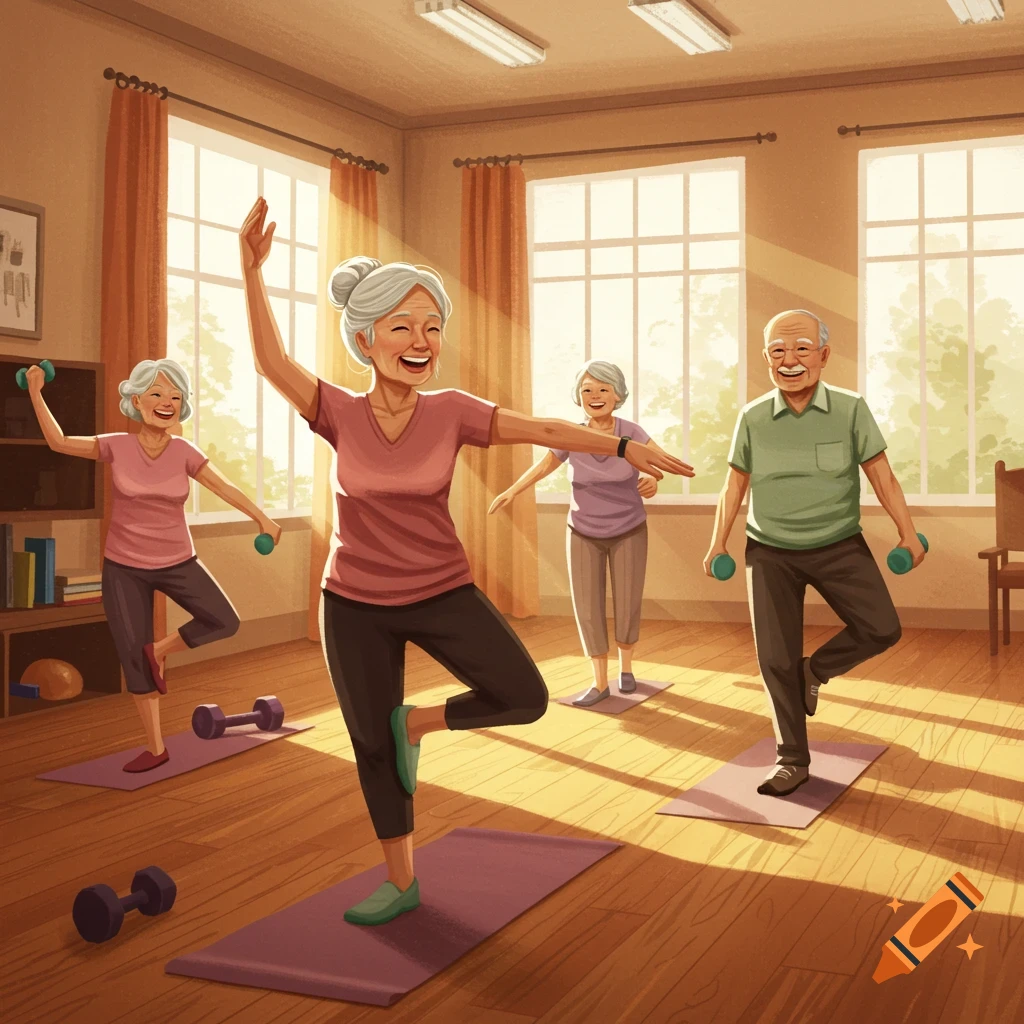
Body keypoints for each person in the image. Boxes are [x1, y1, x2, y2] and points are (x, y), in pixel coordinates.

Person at [238, 196, 692, 926]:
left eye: (433, 327)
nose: (422, 341)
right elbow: (271, 361)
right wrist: (251, 271)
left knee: (523, 695)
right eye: (403, 327)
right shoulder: (336, 412)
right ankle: (401, 880)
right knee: (369, 746)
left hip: (440, 591)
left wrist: (620, 445)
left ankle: (418, 724)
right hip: (352, 602)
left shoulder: (450, 410)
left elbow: (542, 429)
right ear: (365, 339)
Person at [703, 309, 924, 797]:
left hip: (838, 542)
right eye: (778, 351)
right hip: (769, 551)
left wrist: (908, 533)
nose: (790, 360)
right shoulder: (752, 417)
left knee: (881, 628)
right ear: (766, 359)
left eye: (802, 349)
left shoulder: (851, 409)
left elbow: (881, 475)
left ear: (823, 355)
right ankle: (791, 761)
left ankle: (815, 671)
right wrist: (718, 542)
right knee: (774, 659)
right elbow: (734, 484)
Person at [26, 358, 281, 772]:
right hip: (124, 566)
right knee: (133, 658)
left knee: (223, 620)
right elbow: (59, 442)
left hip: (177, 560)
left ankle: (158, 650)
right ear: (136, 400)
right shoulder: (116, 445)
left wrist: (262, 518)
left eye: (175, 397)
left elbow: (224, 487)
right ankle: (156, 747)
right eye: (157, 394)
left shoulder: (184, 452)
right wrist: (36, 393)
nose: (167, 403)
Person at [490, 360, 670, 706]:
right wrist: (513, 490)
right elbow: (544, 465)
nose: (595, 396)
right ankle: (599, 682)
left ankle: (626, 669)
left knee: (627, 602)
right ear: (578, 395)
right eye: (587, 390)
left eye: (603, 389)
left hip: (629, 529)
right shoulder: (572, 435)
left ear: (617, 395)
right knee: (587, 608)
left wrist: (653, 478)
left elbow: (660, 461)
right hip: (583, 530)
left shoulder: (631, 432)